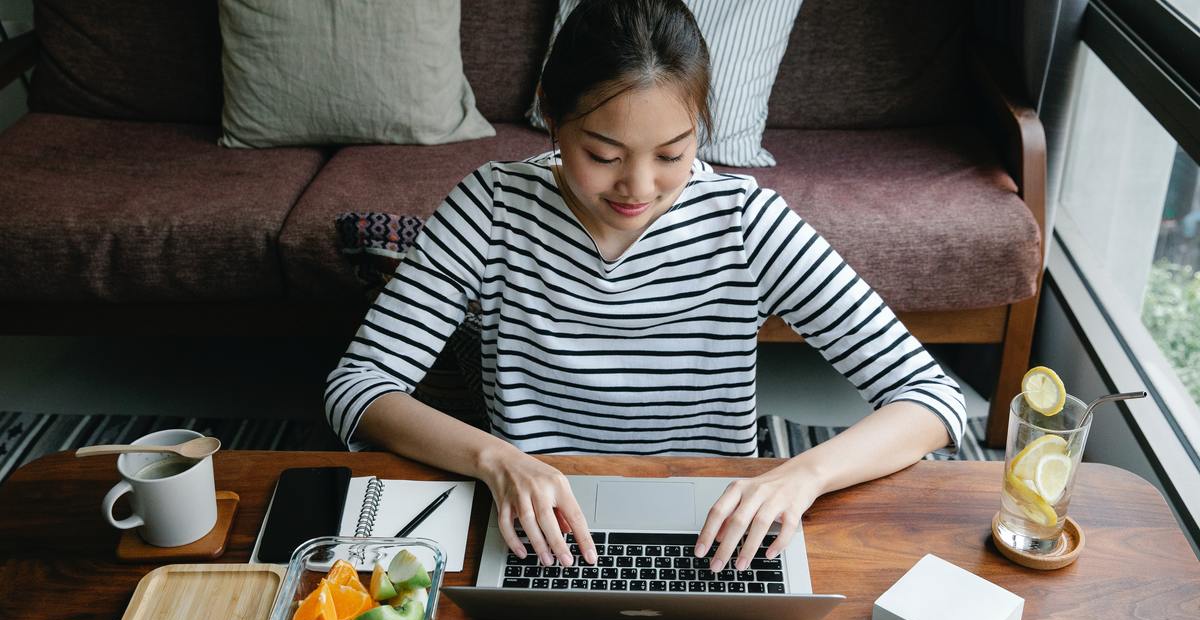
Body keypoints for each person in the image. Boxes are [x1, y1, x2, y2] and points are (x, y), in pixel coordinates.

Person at [325, 0, 965, 577]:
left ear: (700, 128)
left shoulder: (745, 221)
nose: (638, 188)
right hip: (538, 526)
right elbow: (357, 388)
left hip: (717, 531)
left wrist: (802, 474)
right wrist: (499, 461)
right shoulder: (490, 208)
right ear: (553, 114)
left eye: (671, 155)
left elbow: (934, 399)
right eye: (603, 155)